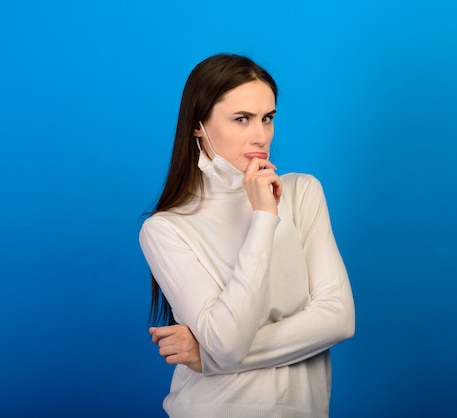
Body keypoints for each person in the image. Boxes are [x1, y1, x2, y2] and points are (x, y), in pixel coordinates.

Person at [139, 53, 355, 418]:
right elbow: (227, 344)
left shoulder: (302, 193)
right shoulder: (165, 228)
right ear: (197, 125)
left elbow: (338, 318)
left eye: (267, 118)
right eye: (242, 119)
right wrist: (262, 218)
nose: (261, 136)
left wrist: (207, 356)